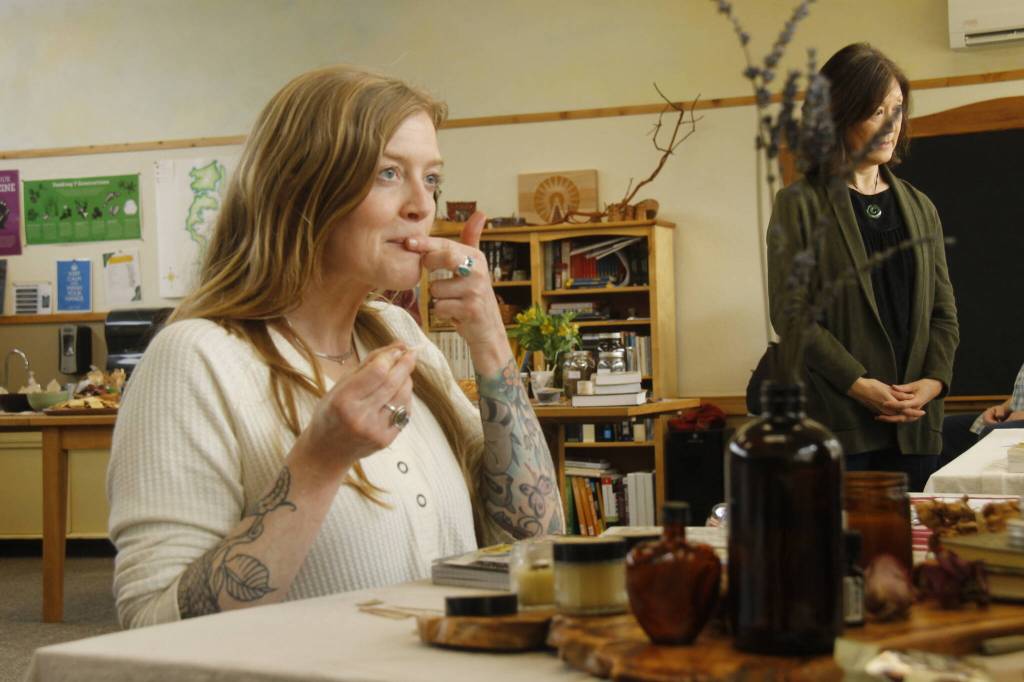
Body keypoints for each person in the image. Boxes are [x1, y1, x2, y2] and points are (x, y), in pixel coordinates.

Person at [107, 65, 564, 629]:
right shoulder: (195, 358)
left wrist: (491, 339)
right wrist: (318, 463)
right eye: (389, 173)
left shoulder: (399, 333)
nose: (424, 206)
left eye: (433, 179)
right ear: (303, 187)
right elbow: (155, 627)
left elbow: (536, 541)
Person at [766, 43, 959, 492]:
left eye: (898, 109)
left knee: (911, 554)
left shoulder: (920, 206)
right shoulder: (799, 204)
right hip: (841, 421)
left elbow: (944, 312)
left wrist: (933, 382)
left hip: (916, 424)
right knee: (845, 556)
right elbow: (791, 315)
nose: (892, 125)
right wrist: (860, 385)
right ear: (838, 117)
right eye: (876, 112)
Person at [940, 361, 1024, 467]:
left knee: (993, 432)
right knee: (948, 427)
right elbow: (1020, 395)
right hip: (1012, 419)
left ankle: (988, 480)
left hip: (1018, 425)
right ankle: (944, 482)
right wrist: (1002, 408)